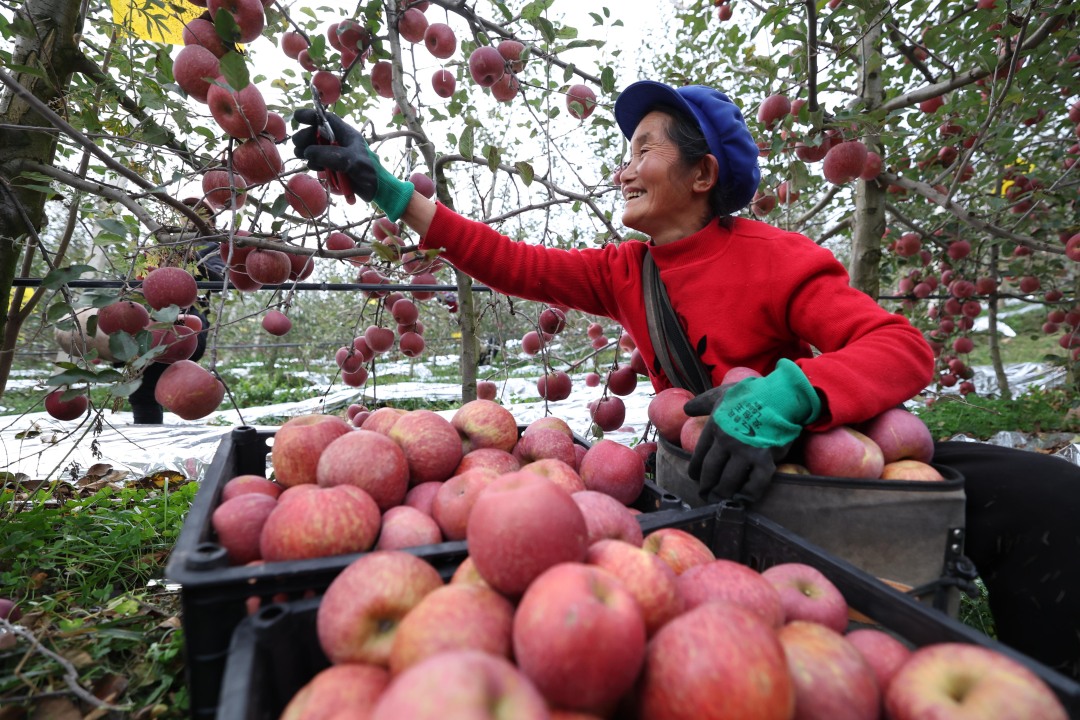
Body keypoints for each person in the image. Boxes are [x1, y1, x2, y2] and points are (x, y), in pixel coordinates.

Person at [292, 80, 1080, 680]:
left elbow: (902, 347)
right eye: (625, 150)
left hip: (810, 465)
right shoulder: (623, 271)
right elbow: (510, 261)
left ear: (701, 174)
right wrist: (384, 186)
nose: (623, 167)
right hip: (711, 476)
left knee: (1049, 500)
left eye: (643, 149)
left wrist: (792, 391)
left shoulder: (776, 259)